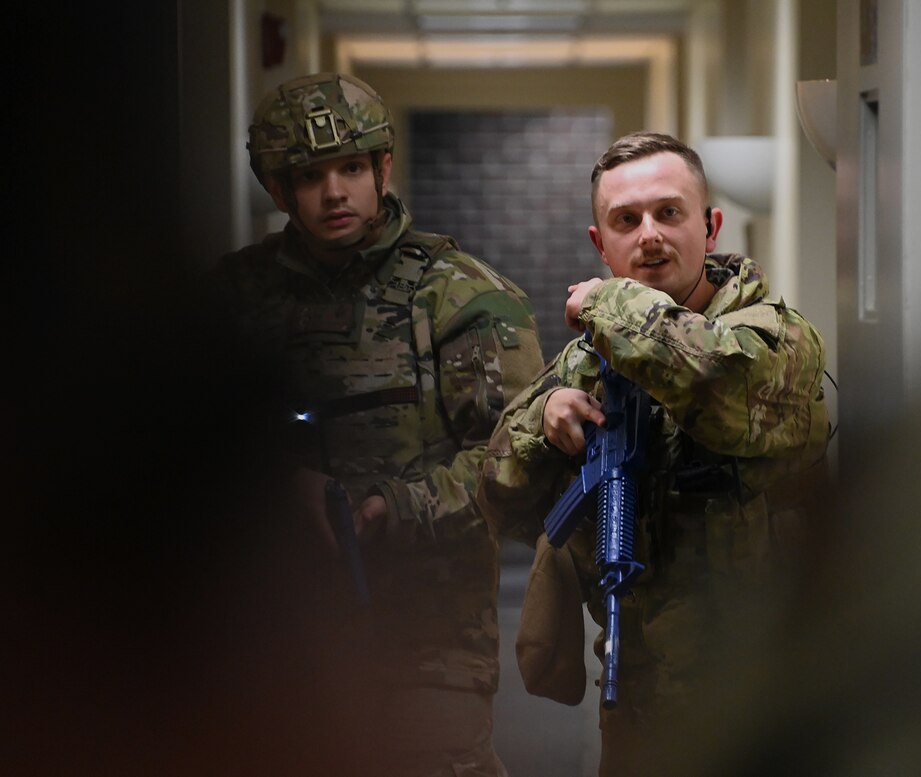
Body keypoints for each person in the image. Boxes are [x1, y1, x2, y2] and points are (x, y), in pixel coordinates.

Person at [209, 72, 544, 777]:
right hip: (270, 636)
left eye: (352, 168)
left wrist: (394, 507)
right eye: (310, 176)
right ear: (277, 190)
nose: (335, 192)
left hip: (428, 635)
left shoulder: (462, 295)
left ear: (382, 168)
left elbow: (518, 460)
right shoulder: (230, 301)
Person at [478, 132, 830, 776]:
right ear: (599, 244)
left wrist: (604, 301)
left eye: (669, 213)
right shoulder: (589, 359)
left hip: (766, 700)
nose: (649, 236)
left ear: (710, 226)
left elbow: (710, 380)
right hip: (639, 698)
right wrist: (544, 413)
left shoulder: (774, 336)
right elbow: (497, 492)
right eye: (626, 220)